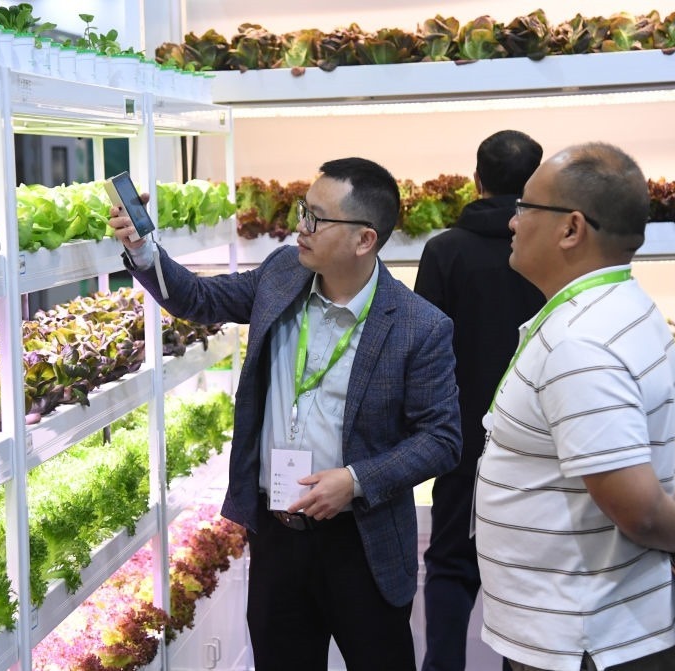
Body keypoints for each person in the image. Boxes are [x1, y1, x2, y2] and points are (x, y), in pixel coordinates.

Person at [109, 157, 463, 671]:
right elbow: (201, 299)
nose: (301, 226)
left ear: (364, 239)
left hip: (362, 542)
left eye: (317, 218)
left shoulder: (419, 325)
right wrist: (143, 248)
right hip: (278, 535)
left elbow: (442, 439)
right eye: (303, 209)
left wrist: (355, 480)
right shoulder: (283, 273)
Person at [475, 141, 675, 671]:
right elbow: (668, 432)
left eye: (525, 207)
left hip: (584, 640)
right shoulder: (628, 306)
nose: (512, 222)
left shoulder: (580, 341)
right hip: (596, 628)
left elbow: (638, 507)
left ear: (571, 229)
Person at [414, 130, 545, 671]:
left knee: (450, 564)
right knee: (534, 567)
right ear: (538, 184)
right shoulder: (553, 249)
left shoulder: (444, 250)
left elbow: (421, 349)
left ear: (476, 180)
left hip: (461, 436)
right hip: (541, 439)